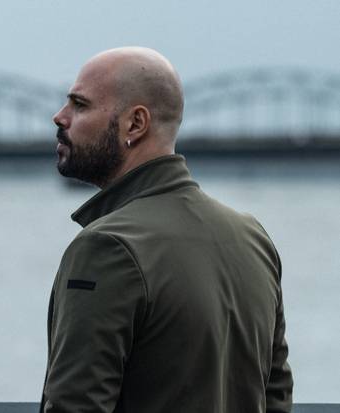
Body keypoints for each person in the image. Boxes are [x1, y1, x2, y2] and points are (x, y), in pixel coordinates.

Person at [42, 47, 293, 412]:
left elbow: (75, 406)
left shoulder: (108, 247)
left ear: (135, 124)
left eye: (79, 105)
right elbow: (277, 399)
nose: (59, 117)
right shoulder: (252, 238)